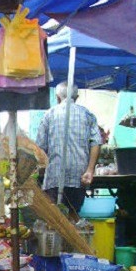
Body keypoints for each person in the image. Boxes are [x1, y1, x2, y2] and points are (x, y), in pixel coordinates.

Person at [36, 81, 102, 216]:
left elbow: (40, 148)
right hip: (80, 176)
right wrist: (90, 170)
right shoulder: (88, 115)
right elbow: (96, 142)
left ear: (57, 97)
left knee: (56, 219)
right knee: (73, 215)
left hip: (55, 175)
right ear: (76, 98)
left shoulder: (49, 115)